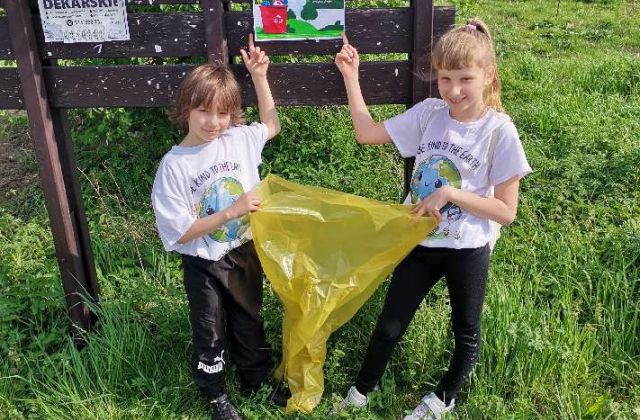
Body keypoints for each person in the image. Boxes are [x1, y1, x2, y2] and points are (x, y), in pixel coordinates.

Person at [334, 18, 532, 420]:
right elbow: (366, 133)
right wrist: (352, 76)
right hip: (420, 242)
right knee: (390, 325)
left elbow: (507, 212)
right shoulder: (429, 114)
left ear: (488, 75)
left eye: (465, 79)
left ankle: (444, 398)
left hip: (467, 249)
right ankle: (360, 390)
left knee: (465, 332)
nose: (454, 91)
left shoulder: (500, 133)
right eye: (445, 79)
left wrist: (451, 193)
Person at [151, 35, 282, 420]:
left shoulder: (238, 139)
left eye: (223, 113)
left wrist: (259, 75)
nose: (214, 122)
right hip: (203, 263)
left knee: (249, 318)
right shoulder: (174, 166)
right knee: (210, 330)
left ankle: (254, 380)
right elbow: (179, 232)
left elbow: (272, 123)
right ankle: (215, 396)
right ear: (186, 109)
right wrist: (231, 211)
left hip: (243, 251)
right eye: (204, 111)